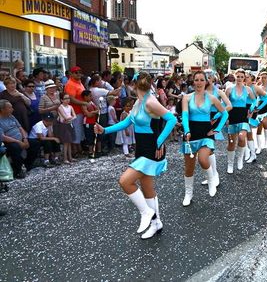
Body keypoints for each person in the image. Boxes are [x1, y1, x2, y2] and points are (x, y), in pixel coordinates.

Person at [95, 74, 177, 239]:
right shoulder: (139, 102)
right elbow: (126, 123)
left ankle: (147, 213)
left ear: (133, 85)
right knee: (147, 188)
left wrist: (160, 142)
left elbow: (172, 119)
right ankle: (156, 223)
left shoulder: (150, 101)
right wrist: (105, 130)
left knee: (125, 181)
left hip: (152, 149)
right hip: (142, 148)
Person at [181, 71, 228, 206]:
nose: (199, 82)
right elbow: (184, 116)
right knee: (189, 168)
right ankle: (188, 194)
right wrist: (187, 131)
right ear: (193, 82)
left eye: (202, 80)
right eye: (196, 80)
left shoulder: (212, 98)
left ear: (206, 81)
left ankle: (211, 178)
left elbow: (224, 113)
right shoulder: (187, 98)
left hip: (206, 134)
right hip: (191, 133)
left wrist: (217, 128)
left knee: (202, 159)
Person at [225, 69, 255, 173]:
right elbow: (224, 103)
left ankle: (240, 159)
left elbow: (254, 100)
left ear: (244, 78)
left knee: (242, 137)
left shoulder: (247, 89)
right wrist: (225, 118)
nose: (240, 78)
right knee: (231, 143)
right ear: (235, 76)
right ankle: (230, 164)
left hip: (243, 117)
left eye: (242, 77)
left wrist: (251, 110)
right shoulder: (229, 89)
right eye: (238, 76)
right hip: (232, 116)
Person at [0, 99, 29, 179]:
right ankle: (18, 171)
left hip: (20, 138)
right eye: (9, 108)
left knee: (34, 142)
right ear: (2, 110)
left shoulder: (11, 116)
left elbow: (20, 127)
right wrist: (19, 142)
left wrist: (25, 138)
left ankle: (28, 165)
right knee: (15, 147)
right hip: (9, 141)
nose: (12, 109)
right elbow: (3, 137)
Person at [64, 66, 87, 157]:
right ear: (71, 74)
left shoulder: (79, 82)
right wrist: (84, 103)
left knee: (79, 131)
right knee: (75, 131)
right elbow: (71, 99)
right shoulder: (70, 84)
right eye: (76, 72)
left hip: (80, 110)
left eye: (79, 72)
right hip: (74, 111)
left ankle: (79, 148)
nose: (78, 74)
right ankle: (75, 150)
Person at [57, 93, 76, 164]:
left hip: (69, 124)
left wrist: (69, 118)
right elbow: (65, 117)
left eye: (68, 98)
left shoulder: (70, 106)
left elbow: (74, 116)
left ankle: (70, 157)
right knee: (65, 142)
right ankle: (65, 158)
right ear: (61, 100)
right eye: (65, 98)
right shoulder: (60, 107)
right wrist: (70, 118)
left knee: (69, 141)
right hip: (63, 125)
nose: (67, 100)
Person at [81, 90, 99, 157]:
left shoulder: (92, 103)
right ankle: (90, 152)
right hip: (87, 122)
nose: (91, 97)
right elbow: (88, 115)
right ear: (85, 97)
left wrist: (92, 112)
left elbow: (98, 110)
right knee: (89, 137)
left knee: (94, 136)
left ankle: (93, 151)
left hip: (93, 121)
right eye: (90, 96)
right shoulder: (84, 104)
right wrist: (94, 112)